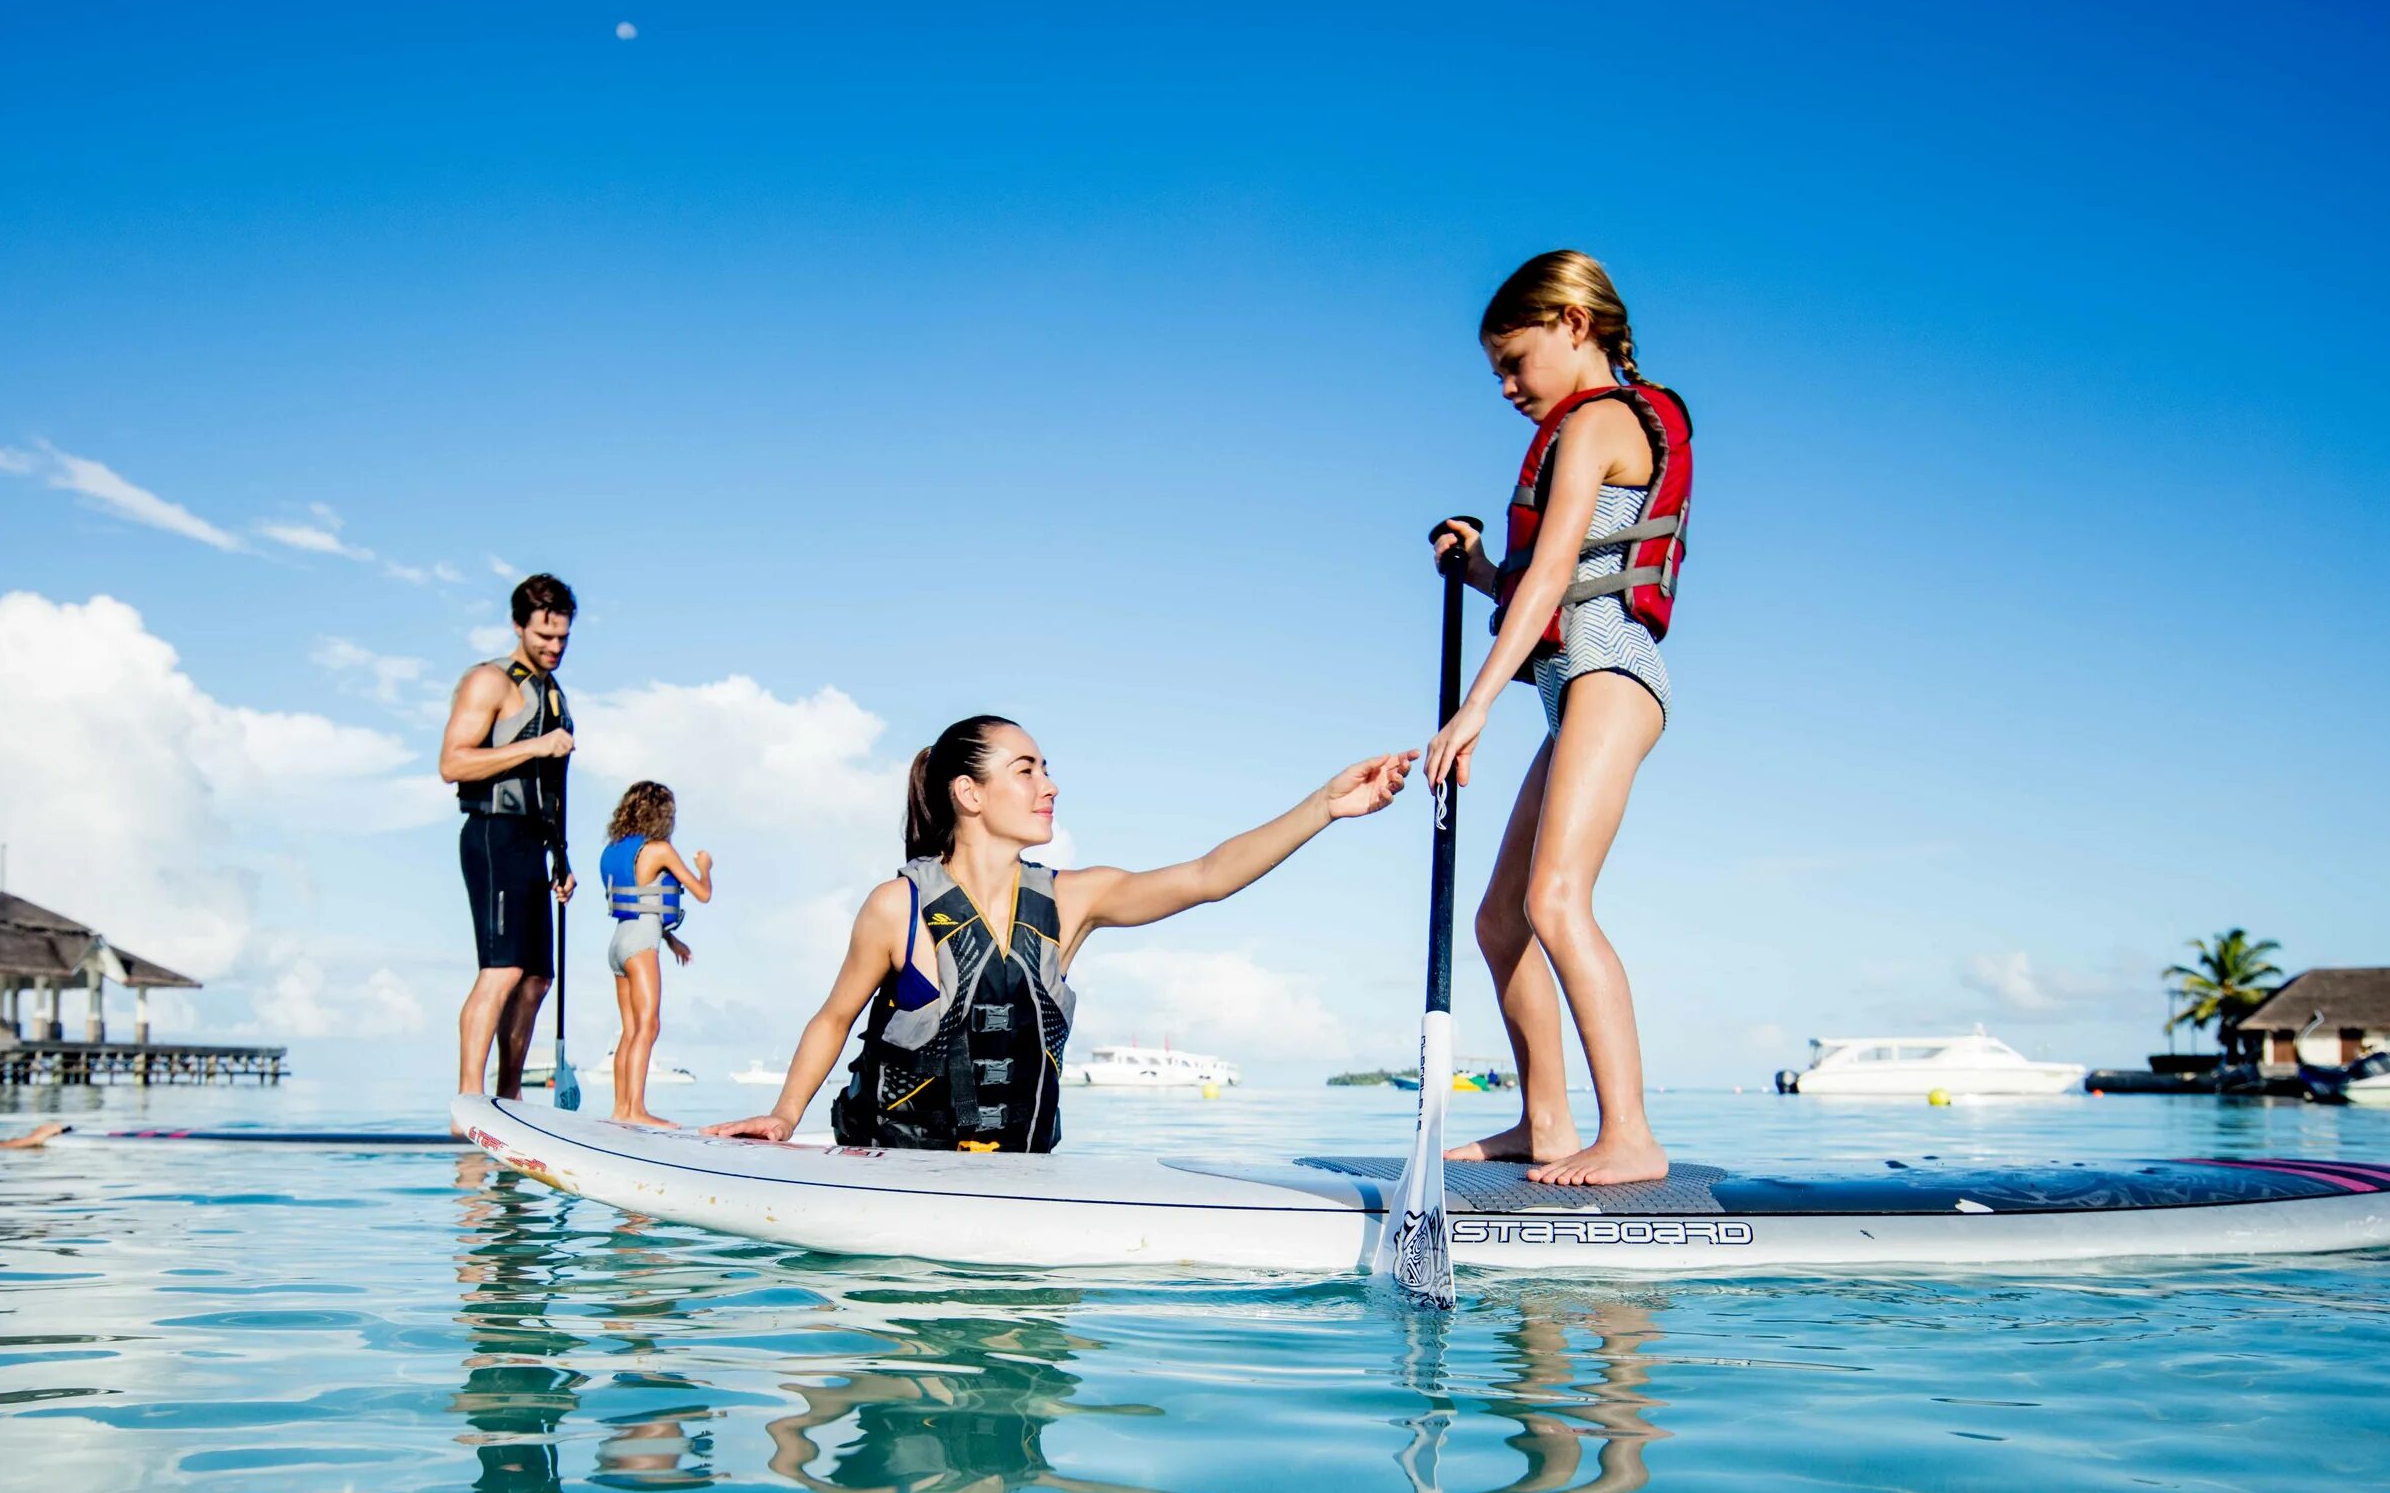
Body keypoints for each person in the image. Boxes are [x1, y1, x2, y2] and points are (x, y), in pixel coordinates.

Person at [710, 715, 1413, 1152]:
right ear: (970, 792)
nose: (1048, 784)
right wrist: (783, 1114)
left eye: (1047, 768)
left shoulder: (1071, 900)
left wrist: (1325, 805)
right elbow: (834, 1018)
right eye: (1027, 769)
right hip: (899, 1169)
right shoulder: (898, 906)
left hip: (1021, 1183)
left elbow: (1209, 874)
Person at [1423, 250, 1696, 1185]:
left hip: (1612, 671)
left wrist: (1476, 707)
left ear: (1574, 325)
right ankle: (1545, 1122)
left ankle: (1631, 1133)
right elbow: (1540, 584)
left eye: (1514, 361)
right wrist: (1475, 572)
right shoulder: (1581, 425)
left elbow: (1553, 580)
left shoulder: (1603, 421)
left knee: (1555, 899)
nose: (1505, 385)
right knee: (1502, 921)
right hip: (1570, 680)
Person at [441, 573, 581, 1104]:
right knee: (501, 971)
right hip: (492, 834)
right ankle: (469, 1102)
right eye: (545, 636)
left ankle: (509, 1100)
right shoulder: (490, 681)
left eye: (563, 637)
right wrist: (536, 747)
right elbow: (452, 762)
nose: (555, 647)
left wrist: (560, 857)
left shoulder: (550, 691)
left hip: (532, 842)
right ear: (519, 625)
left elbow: (550, 785)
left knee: (536, 980)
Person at [596, 780, 713, 1126]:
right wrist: (705, 865)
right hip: (640, 945)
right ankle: (637, 1112)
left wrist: (672, 941)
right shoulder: (658, 849)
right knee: (648, 1026)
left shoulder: (614, 850)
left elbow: (639, 902)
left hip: (619, 941)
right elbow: (702, 893)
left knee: (630, 1030)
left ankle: (621, 1110)